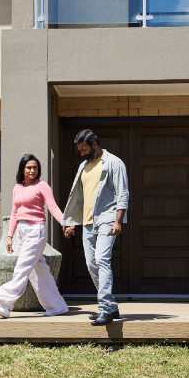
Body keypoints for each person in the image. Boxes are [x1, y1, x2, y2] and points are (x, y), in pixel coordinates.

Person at [61, 129, 128, 326]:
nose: (81, 153)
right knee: (91, 264)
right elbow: (78, 197)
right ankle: (112, 306)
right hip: (88, 222)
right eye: (79, 150)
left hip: (107, 218)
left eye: (84, 149)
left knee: (102, 259)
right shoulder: (84, 166)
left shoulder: (114, 163)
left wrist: (118, 220)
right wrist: (71, 222)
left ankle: (105, 308)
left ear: (95, 144)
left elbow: (123, 193)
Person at [0, 154, 69, 319]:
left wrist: (65, 223)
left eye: (35, 167)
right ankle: (57, 306)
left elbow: (53, 207)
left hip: (36, 230)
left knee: (22, 268)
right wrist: (10, 236)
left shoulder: (42, 186)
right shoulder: (17, 188)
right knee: (38, 271)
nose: (32, 170)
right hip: (21, 232)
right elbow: (14, 213)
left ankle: (3, 302)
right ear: (22, 169)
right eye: (28, 167)